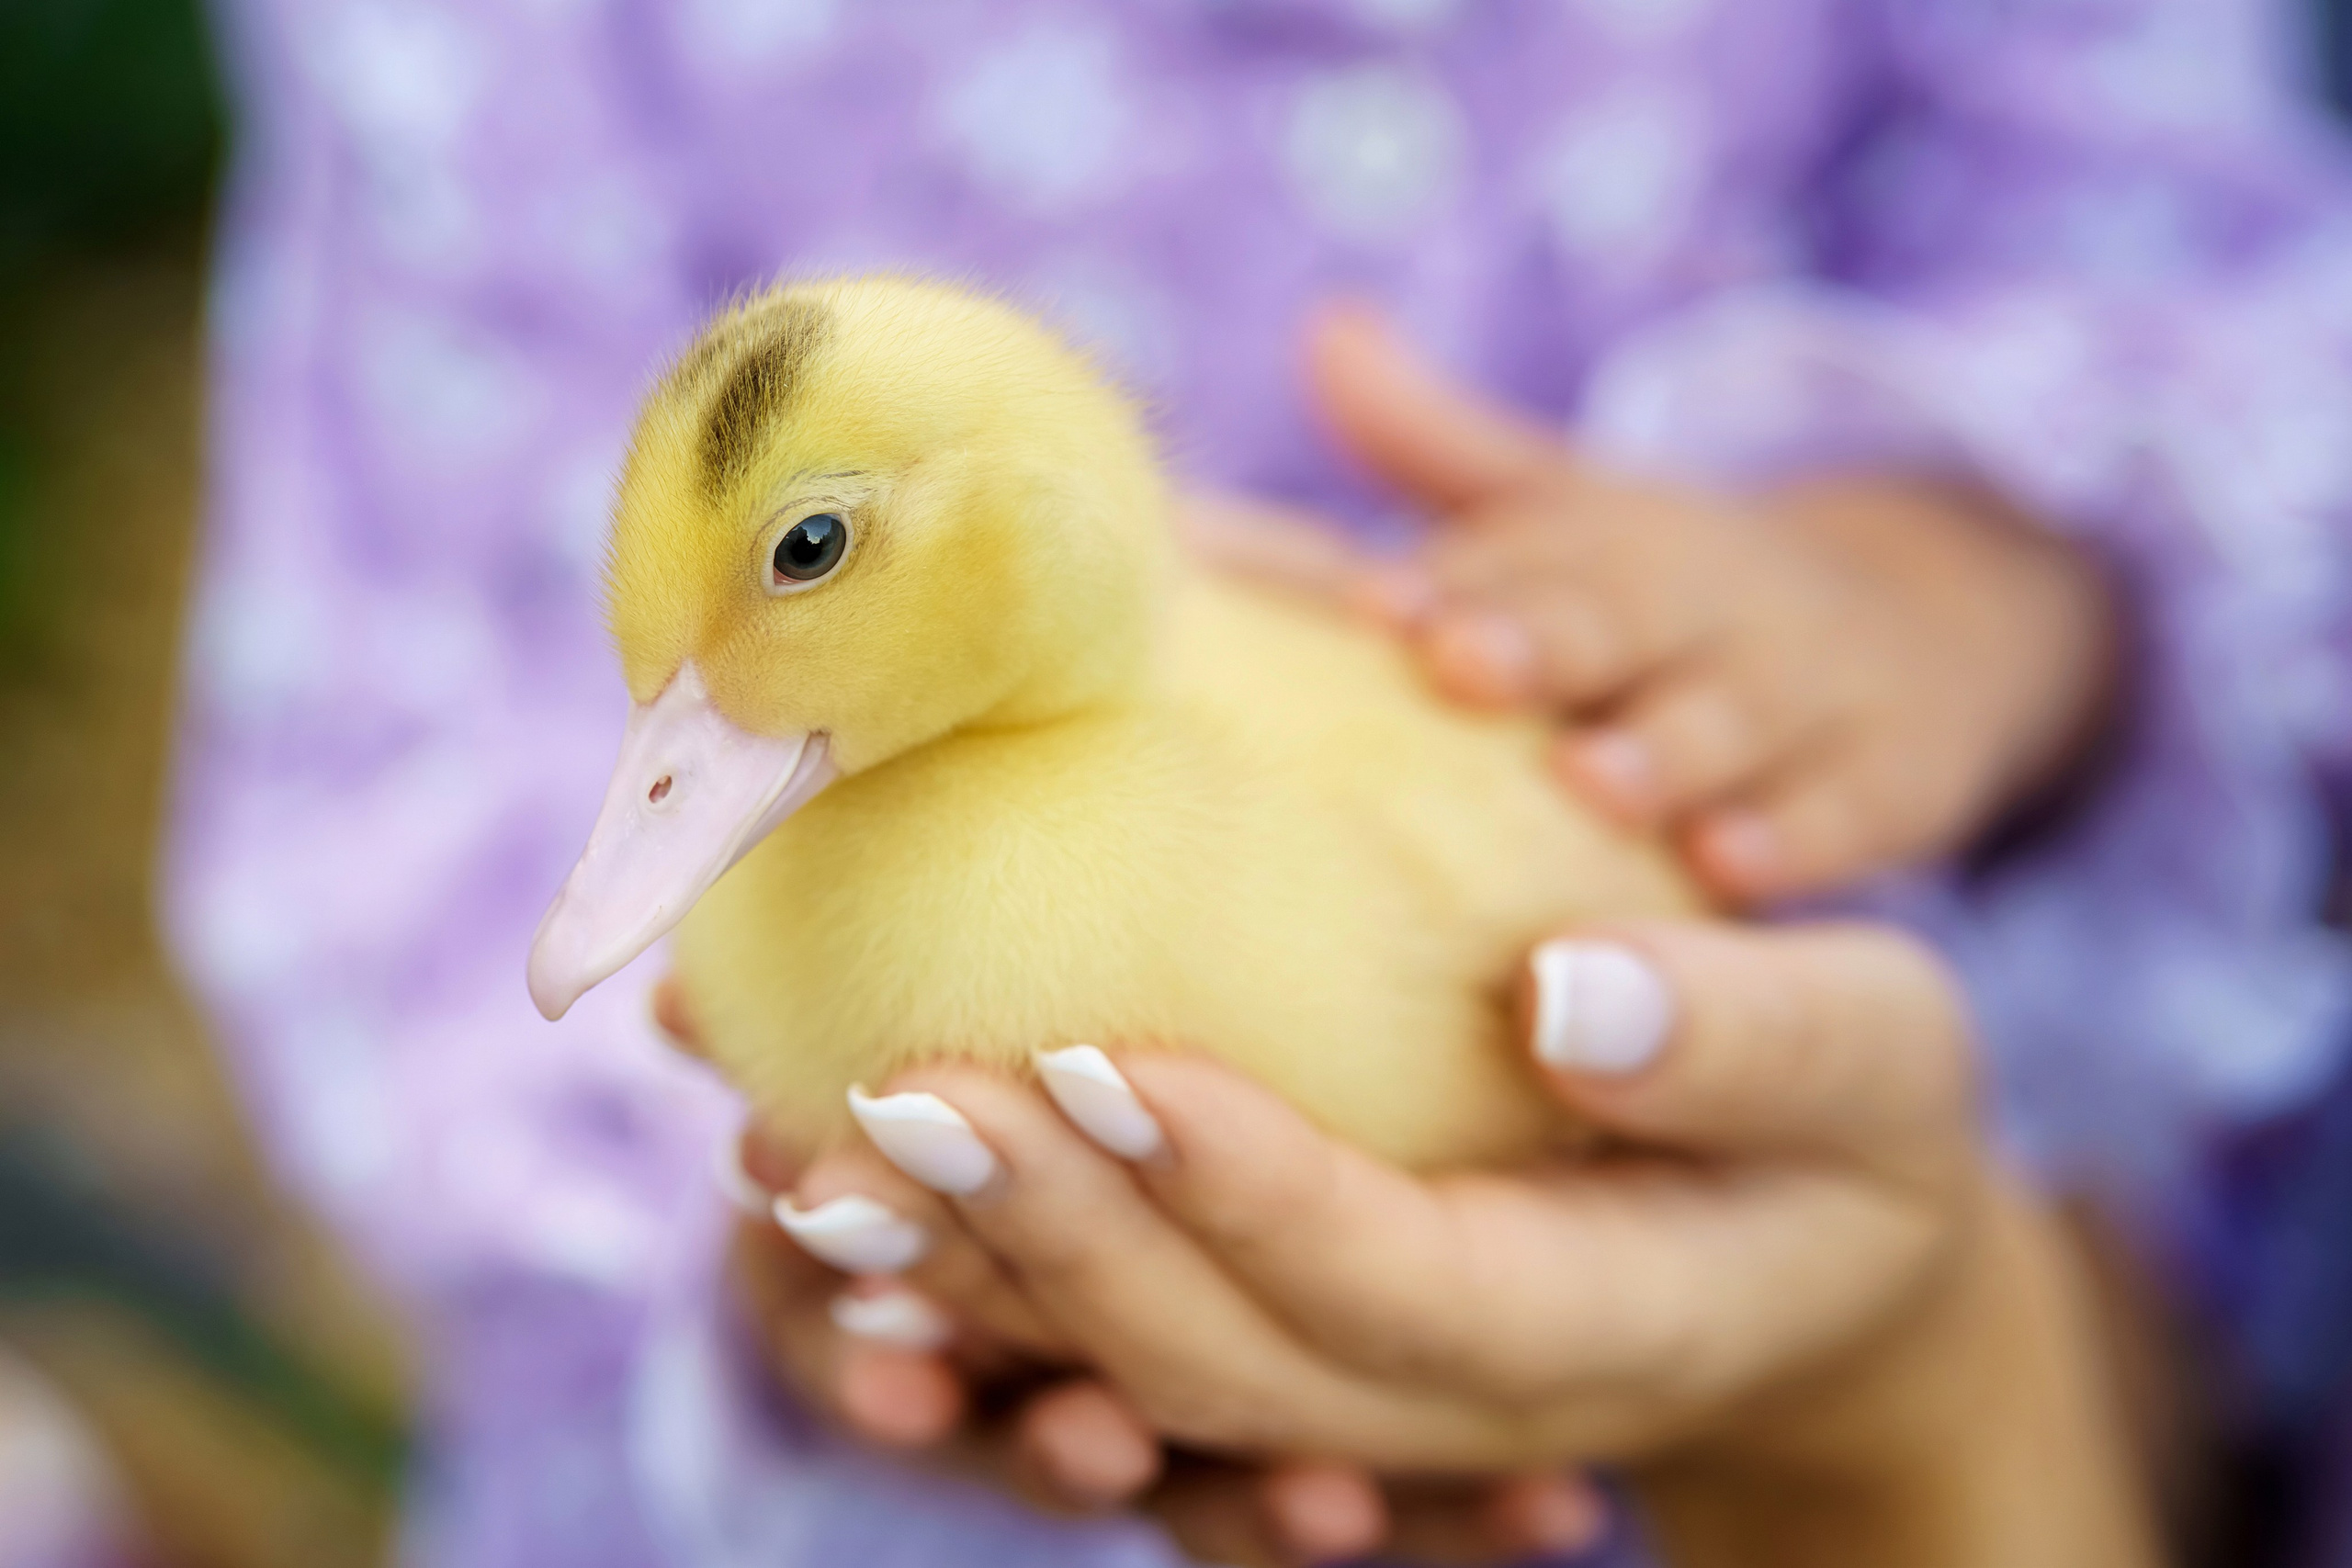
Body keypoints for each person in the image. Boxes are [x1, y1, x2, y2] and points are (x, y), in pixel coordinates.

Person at [172, 1, 2352, 1562]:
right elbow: (390, 829)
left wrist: (1973, 565)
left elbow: (2191, 253)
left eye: (811, 560)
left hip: (1894, 1271)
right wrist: (782, 1289)